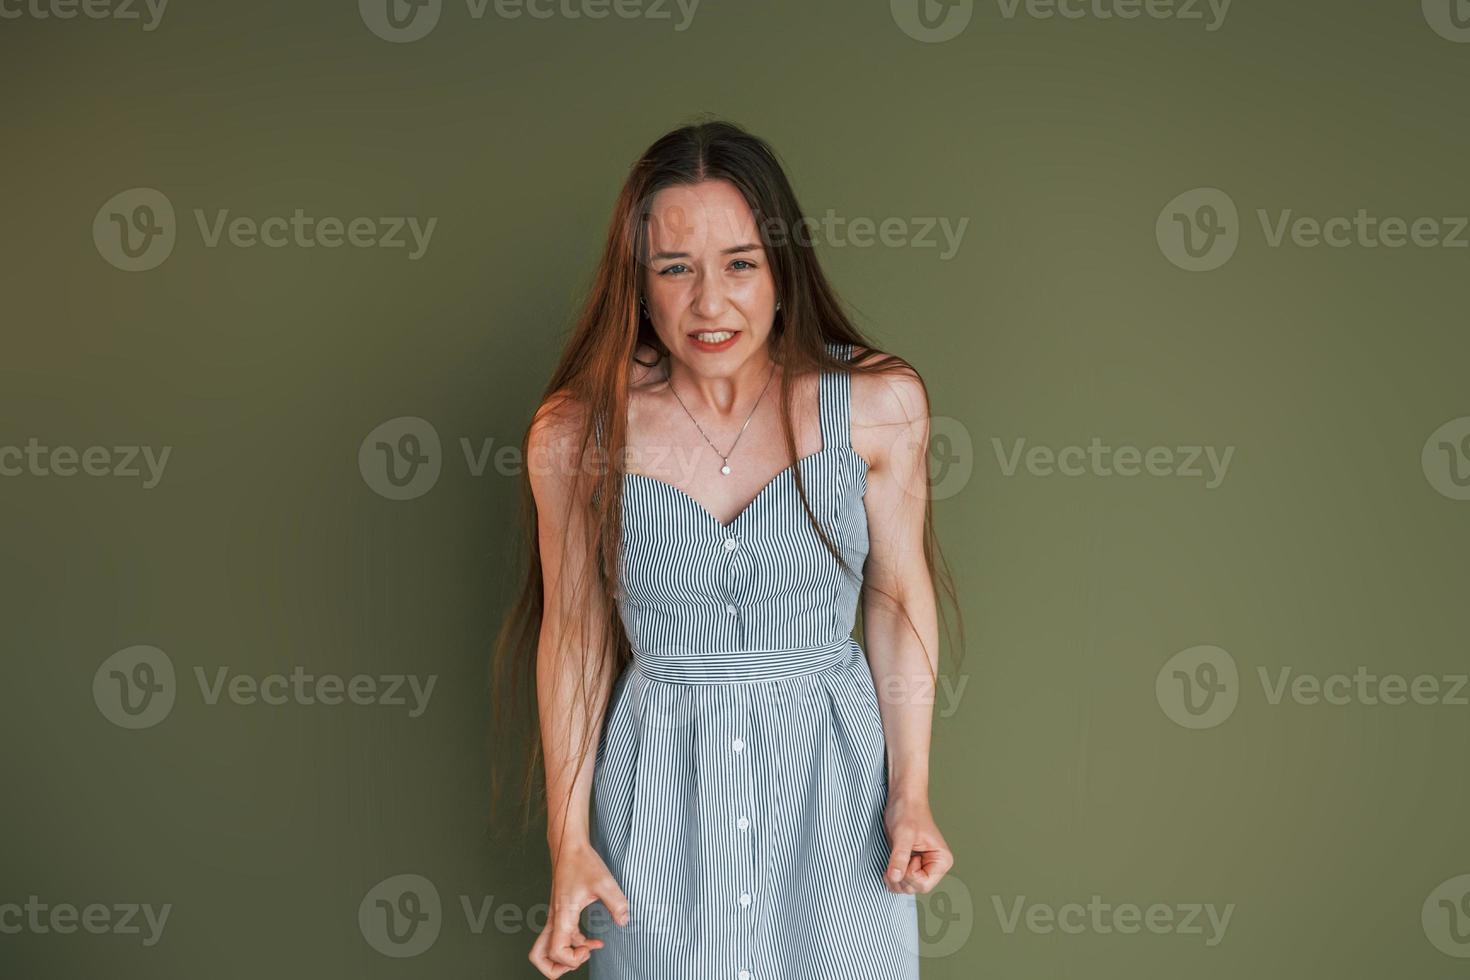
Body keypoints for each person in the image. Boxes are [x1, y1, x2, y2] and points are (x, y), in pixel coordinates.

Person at [495, 118, 960, 979]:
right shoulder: (573, 435)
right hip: (660, 799)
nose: (711, 303)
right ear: (638, 288)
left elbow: (898, 601)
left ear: (783, 271)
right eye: (676, 269)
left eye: (740, 263)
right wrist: (568, 841)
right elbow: (575, 641)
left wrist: (910, 793)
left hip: (835, 795)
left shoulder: (878, 405)